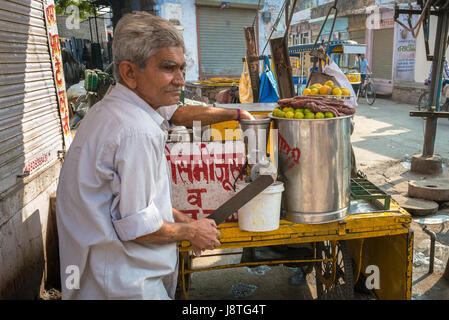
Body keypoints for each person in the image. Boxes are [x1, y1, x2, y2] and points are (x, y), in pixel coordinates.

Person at [56, 12, 255, 300]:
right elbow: (138, 227)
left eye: (182, 69)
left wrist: (181, 219)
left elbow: (133, 205)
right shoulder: (135, 130)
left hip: (105, 277)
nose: (181, 81)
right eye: (168, 68)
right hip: (124, 284)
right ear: (129, 73)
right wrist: (192, 232)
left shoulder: (115, 109)